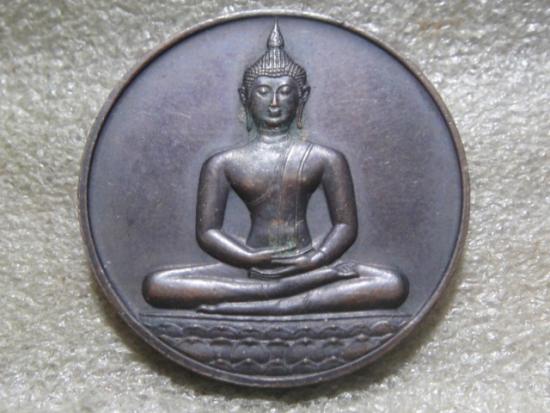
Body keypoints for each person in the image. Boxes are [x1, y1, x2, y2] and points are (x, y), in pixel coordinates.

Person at [142, 22, 408, 315]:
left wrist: (316, 259)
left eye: (284, 92)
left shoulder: (325, 158)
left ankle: (274, 301)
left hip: (309, 264)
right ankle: (279, 297)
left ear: (302, 96)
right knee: (156, 285)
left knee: (392, 284)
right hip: (249, 268)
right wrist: (247, 257)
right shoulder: (223, 163)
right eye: (263, 92)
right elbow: (208, 232)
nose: (274, 103)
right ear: (245, 96)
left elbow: (345, 226)